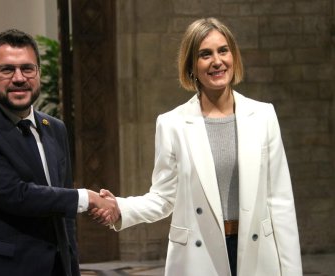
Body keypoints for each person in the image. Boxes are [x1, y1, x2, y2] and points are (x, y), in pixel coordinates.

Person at [96, 17, 302, 276]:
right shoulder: (172, 124)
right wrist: (121, 208)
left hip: (257, 253)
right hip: (199, 257)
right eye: (205, 54)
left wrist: (293, 271)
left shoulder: (263, 116)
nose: (217, 61)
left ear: (233, 57)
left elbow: (280, 201)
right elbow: (163, 198)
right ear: (192, 65)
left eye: (223, 51)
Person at [0, 29, 118, 276]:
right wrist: (88, 198)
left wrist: (71, 267)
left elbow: (63, 216)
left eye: (27, 69)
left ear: (38, 74)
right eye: (7, 70)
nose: (19, 78)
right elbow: (17, 195)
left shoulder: (55, 128)